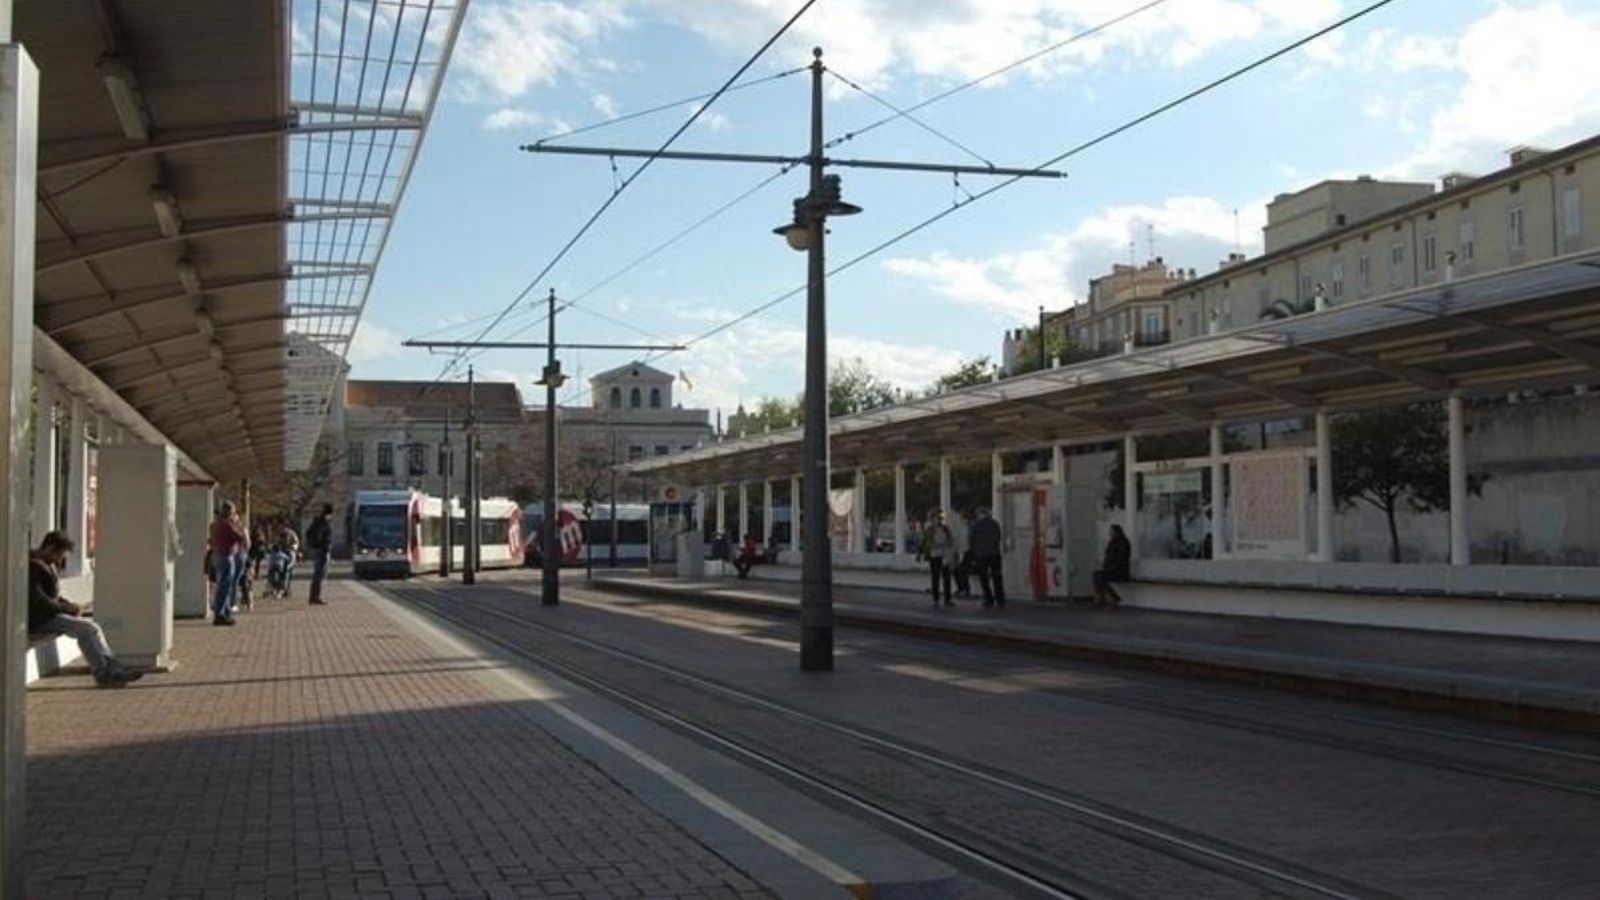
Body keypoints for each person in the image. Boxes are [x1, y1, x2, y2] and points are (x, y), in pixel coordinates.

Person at [29, 532, 144, 687]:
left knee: (91, 627)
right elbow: (39, 601)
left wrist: (70, 605)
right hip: (40, 619)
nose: (61, 560)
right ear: (50, 548)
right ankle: (103, 672)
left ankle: (111, 667)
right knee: (86, 628)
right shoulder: (34, 567)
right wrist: (67, 608)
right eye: (60, 555)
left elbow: (53, 597)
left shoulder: (47, 565)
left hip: (49, 615)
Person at [208, 500, 247, 625]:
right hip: (227, 556)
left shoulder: (214, 525)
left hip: (216, 555)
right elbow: (240, 537)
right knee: (225, 586)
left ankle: (223, 611)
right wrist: (239, 527)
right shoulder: (228, 525)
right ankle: (221, 613)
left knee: (221, 585)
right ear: (229, 512)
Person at [968, 506, 1006, 608]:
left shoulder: (976, 525)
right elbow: (998, 537)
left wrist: (973, 554)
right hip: (994, 553)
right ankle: (1000, 599)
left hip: (981, 555)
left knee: (984, 578)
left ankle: (988, 599)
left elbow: (971, 540)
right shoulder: (994, 524)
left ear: (979, 514)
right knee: (997, 577)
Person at [918, 509, 955, 607]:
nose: (938, 520)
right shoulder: (929, 530)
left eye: (940, 518)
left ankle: (947, 598)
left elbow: (951, 541)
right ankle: (936, 599)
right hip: (934, 556)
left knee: (946, 577)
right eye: (936, 518)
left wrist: (946, 546)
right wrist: (942, 544)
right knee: (935, 577)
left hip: (944, 555)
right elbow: (929, 543)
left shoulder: (945, 529)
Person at [1093, 524, 1132, 608]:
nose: (1110, 533)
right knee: (1096, 575)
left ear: (1117, 532)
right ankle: (1101, 598)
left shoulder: (1123, 542)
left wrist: (1111, 567)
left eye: (1112, 531)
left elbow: (1121, 559)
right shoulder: (1112, 542)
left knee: (1100, 577)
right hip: (1112, 569)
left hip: (1120, 571)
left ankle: (1113, 597)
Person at [306, 503, 334, 606]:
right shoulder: (323, 522)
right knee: (319, 574)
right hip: (322, 550)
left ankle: (314, 596)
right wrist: (322, 546)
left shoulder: (317, 521)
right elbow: (324, 537)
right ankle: (315, 597)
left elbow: (308, 533)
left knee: (318, 574)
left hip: (318, 550)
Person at [949, 508, 972, 599]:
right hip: (961, 550)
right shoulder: (964, 526)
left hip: (962, 550)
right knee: (959, 571)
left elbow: (958, 538)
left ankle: (963, 589)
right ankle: (963, 588)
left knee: (960, 571)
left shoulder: (962, 527)